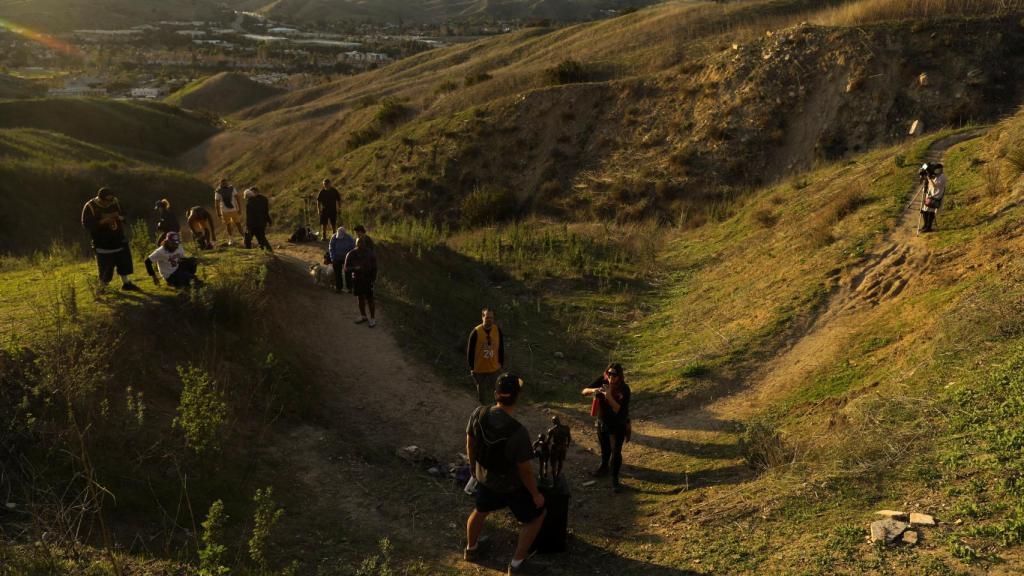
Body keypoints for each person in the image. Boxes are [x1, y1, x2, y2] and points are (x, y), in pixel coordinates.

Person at [465, 373, 547, 575]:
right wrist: (536, 495)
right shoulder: (518, 432)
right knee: (536, 516)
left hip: (485, 479)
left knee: (480, 510)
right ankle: (517, 564)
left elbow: (470, 443)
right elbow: (525, 471)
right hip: (510, 487)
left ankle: (471, 549)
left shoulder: (479, 413)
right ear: (517, 396)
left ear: (496, 393)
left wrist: (473, 468)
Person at [582, 363, 631, 493]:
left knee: (616, 452)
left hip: (617, 425)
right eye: (609, 373)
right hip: (602, 423)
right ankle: (604, 467)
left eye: (614, 374)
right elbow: (584, 391)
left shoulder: (624, 389)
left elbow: (617, 409)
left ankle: (615, 478)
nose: (610, 377)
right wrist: (595, 390)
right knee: (605, 449)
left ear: (619, 376)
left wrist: (608, 395)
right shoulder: (602, 381)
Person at [80, 187, 140, 291]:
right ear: (100, 199)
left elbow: (124, 214)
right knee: (106, 266)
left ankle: (126, 283)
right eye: (107, 200)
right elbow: (86, 224)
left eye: (111, 200)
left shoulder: (115, 202)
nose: (109, 202)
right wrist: (102, 222)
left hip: (118, 238)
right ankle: (102, 287)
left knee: (123, 262)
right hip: (102, 241)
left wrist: (120, 217)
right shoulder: (90, 206)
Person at [467, 308, 505, 405]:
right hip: (479, 368)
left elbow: (501, 348)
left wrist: (501, 364)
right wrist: (472, 368)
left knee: (497, 389)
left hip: (494, 368)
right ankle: (483, 408)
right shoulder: (476, 332)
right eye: (487, 317)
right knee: (481, 391)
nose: (490, 320)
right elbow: (470, 352)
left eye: (491, 318)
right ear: (482, 317)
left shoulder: (497, 330)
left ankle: (498, 408)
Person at [343, 236, 378, 327]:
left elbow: (375, 268)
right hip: (357, 279)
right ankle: (363, 316)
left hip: (368, 279)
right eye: (358, 242)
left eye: (362, 243)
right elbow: (346, 268)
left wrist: (373, 279)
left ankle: (373, 318)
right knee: (360, 298)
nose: (360, 244)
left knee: (370, 299)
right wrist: (355, 268)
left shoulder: (370, 254)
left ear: (365, 244)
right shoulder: (351, 254)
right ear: (356, 243)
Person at [243, 187, 273, 252]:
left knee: (248, 239)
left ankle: (248, 251)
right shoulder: (264, 199)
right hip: (262, 223)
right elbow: (266, 211)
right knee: (261, 238)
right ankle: (267, 250)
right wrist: (269, 220)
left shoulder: (249, 202)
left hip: (253, 224)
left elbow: (249, 216)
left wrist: (248, 225)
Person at [920, 163, 946, 233]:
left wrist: (929, 178)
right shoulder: (935, 176)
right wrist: (925, 176)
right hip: (930, 195)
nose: (934, 170)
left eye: (936, 169)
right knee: (924, 210)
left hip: (936, 197)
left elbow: (934, 185)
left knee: (930, 212)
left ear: (939, 170)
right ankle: (925, 225)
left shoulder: (942, 177)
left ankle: (928, 227)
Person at [214, 178, 242, 244]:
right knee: (228, 225)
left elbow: (237, 199)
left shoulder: (232, 189)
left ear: (227, 182)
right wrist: (218, 213)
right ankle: (231, 239)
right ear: (220, 184)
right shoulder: (218, 191)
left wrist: (240, 209)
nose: (224, 184)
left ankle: (244, 237)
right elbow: (216, 203)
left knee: (238, 224)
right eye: (223, 183)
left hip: (233, 210)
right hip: (224, 211)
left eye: (225, 182)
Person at [328, 226, 355, 294]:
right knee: (337, 273)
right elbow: (331, 248)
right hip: (337, 258)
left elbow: (353, 248)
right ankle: (338, 287)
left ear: (344, 234)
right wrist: (332, 258)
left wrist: (351, 257)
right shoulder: (334, 237)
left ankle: (350, 288)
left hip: (347, 258)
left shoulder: (349, 238)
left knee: (348, 273)